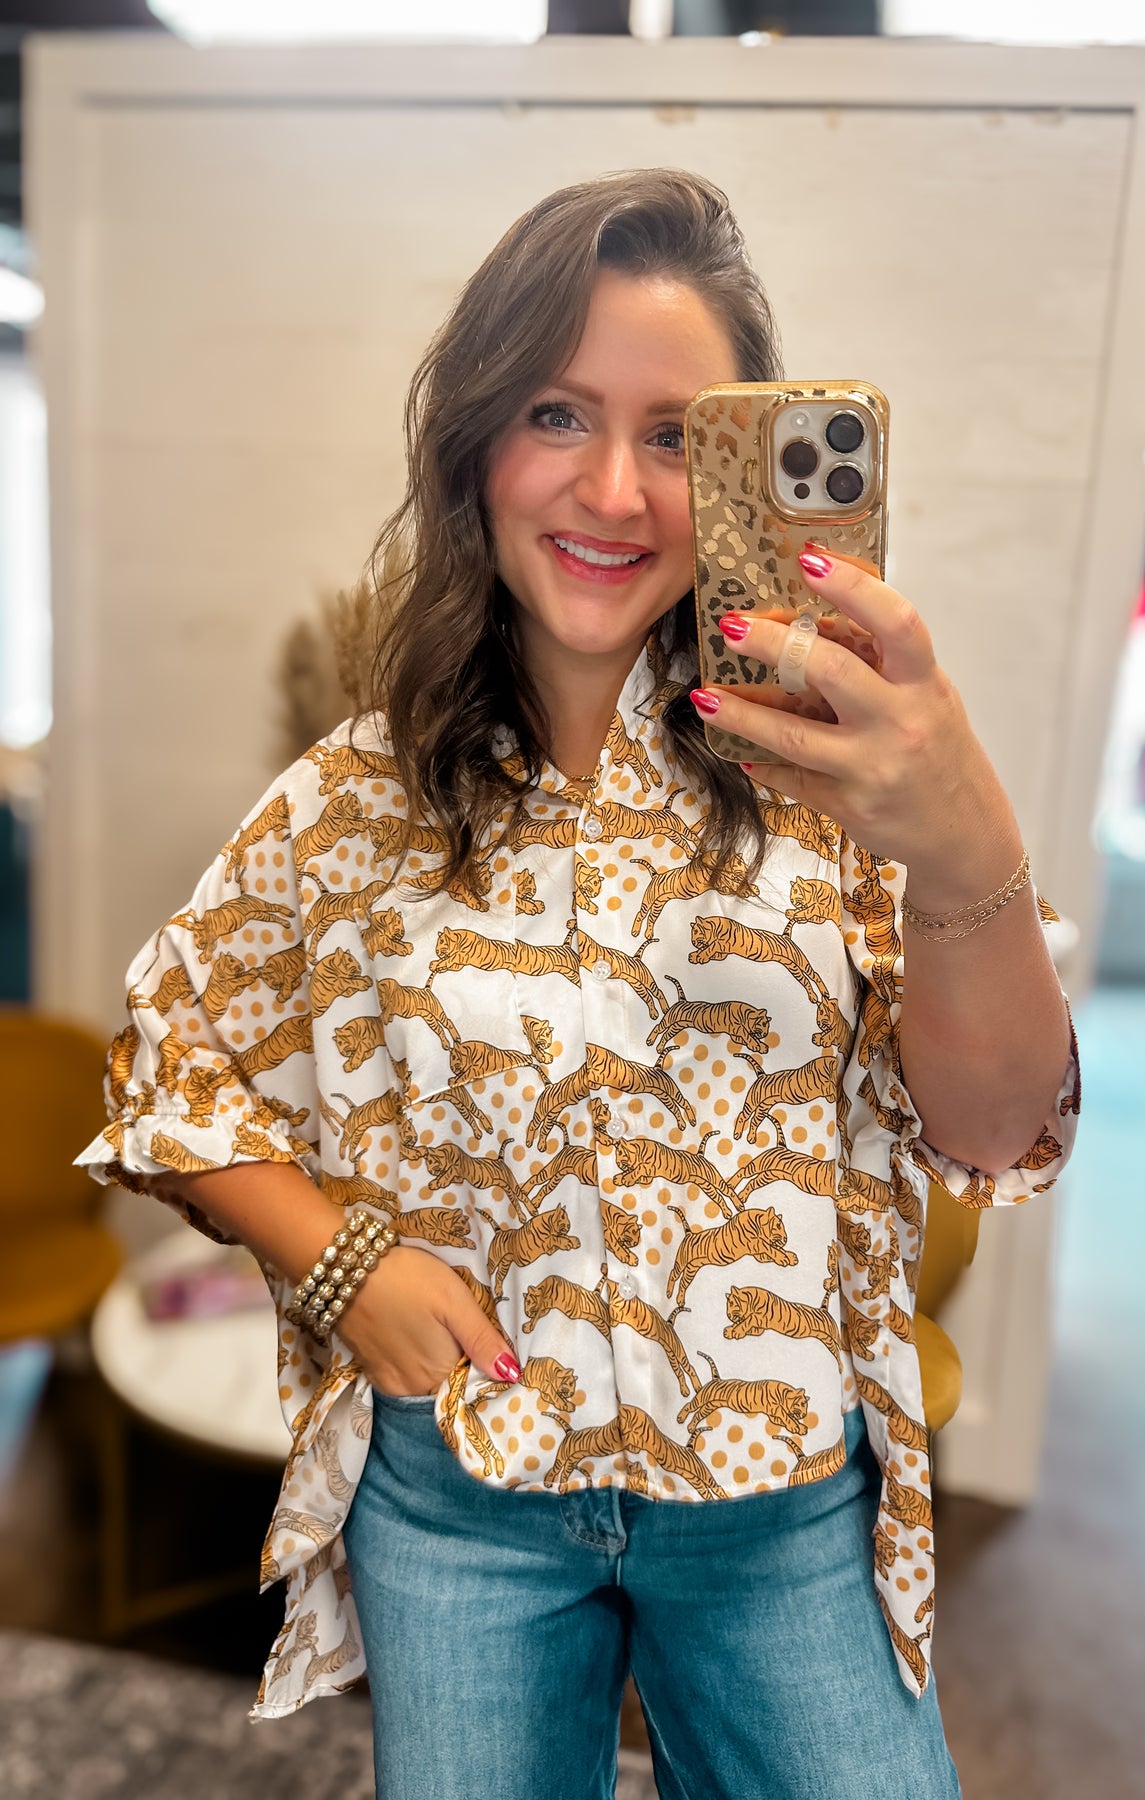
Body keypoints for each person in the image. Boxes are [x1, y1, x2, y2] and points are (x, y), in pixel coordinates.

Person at [79, 168, 1078, 1800]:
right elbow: (163, 1064)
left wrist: (967, 845)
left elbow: (996, 1129)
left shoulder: (853, 783)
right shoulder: (353, 800)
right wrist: (338, 1261)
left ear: (742, 462)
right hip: (462, 1499)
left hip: (772, 1508)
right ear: (474, 441)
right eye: (556, 412)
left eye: (676, 434)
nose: (613, 489)